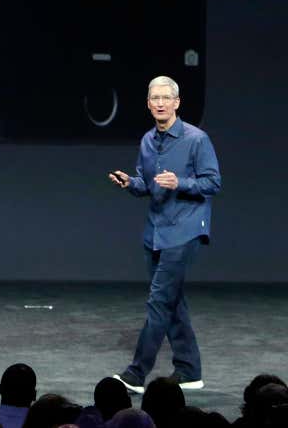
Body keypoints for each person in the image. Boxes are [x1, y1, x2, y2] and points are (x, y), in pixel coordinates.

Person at [107, 76, 221, 392]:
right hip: (155, 232)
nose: (159, 103)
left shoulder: (196, 139)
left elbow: (213, 183)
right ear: (148, 104)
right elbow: (147, 184)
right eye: (154, 98)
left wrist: (181, 183)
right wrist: (130, 183)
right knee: (172, 301)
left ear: (176, 103)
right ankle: (189, 370)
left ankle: (136, 374)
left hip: (184, 231)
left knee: (159, 300)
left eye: (165, 98)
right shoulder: (147, 141)